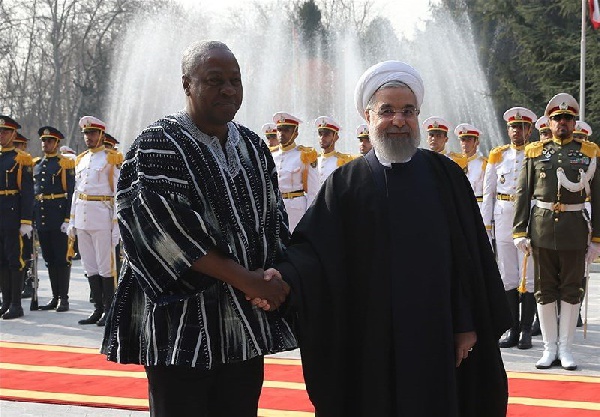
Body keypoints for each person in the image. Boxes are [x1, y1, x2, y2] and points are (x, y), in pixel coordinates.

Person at [263, 61, 511, 416]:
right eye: (387, 111)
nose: (398, 120)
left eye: (408, 111)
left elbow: (468, 259)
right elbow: (314, 253)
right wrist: (284, 279)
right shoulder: (345, 184)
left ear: (418, 117)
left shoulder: (445, 176)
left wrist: (467, 324)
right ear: (368, 117)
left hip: (437, 331)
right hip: (370, 333)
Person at [100, 40, 297, 417]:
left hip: (242, 330)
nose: (228, 89)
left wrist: (275, 276)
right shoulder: (158, 144)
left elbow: (273, 222)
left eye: (235, 80)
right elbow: (162, 236)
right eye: (214, 80)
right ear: (187, 84)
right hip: (180, 334)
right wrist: (249, 281)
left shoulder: (254, 146)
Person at [513, 93, 600, 370]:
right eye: (557, 118)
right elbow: (523, 193)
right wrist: (519, 231)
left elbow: (598, 197)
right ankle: (549, 349)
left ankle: (566, 348)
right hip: (541, 228)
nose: (562, 122)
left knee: (571, 290)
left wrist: (597, 238)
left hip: (574, 230)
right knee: (544, 289)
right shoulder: (535, 151)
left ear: (574, 122)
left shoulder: (588, 152)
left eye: (568, 118)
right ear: (549, 122)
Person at [482, 107, 537, 350]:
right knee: (508, 276)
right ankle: (512, 328)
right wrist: (487, 225)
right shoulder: (498, 155)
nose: (517, 131)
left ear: (530, 130)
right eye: (513, 127)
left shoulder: (537, 154)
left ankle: (526, 329)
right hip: (503, 216)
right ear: (508, 129)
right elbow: (488, 192)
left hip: (529, 217)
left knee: (530, 276)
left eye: (523, 127)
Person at [68, 116, 122, 326]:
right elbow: (76, 192)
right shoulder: (80, 159)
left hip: (102, 217)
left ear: (101, 134)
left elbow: (118, 193)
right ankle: (97, 308)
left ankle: (110, 310)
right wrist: (72, 220)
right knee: (89, 266)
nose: (88, 137)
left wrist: (116, 225)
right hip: (83, 216)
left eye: (92, 133)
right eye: (86, 134)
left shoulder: (112, 158)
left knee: (105, 267)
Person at [34, 126, 75, 312]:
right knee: (49, 259)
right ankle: (54, 296)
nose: (46, 144)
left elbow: (71, 193)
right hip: (43, 218)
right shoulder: (38, 164)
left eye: (49, 141)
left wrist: (67, 218)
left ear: (57, 143)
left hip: (58, 217)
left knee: (61, 259)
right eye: (44, 141)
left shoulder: (64, 164)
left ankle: (64, 298)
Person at [0, 115, 34, 320]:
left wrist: (26, 220)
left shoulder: (20, 159)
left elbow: (27, 192)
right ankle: (5, 301)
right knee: (1, 261)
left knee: (15, 260)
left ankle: (15, 304)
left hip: (12, 216)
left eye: (5, 132)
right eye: (0, 132)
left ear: (14, 134)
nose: (2, 135)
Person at [271, 111, 318, 231]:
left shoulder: (304, 155)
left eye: (286, 130)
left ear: (295, 133)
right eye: (279, 129)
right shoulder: (271, 155)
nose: (282, 133)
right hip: (275, 208)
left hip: (296, 209)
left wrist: (310, 218)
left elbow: (313, 191)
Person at [13, 132, 35, 299]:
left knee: (27, 252)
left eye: (18, 145)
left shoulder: (26, 162)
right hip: (9, 214)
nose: (16, 148)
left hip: (24, 214)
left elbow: (29, 193)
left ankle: (28, 282)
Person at [453, 123, 486, 209]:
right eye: (463, 140)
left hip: (478, 207)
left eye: (469, 140)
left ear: (476, 142)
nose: (465, 143)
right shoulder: (453, 163)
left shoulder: (484, 164)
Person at [315, 115, 353, 185]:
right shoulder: (313, 160)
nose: (322, 138)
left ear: (336, 137)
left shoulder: (343, 161)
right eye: (320, 134)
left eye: (326, 135)